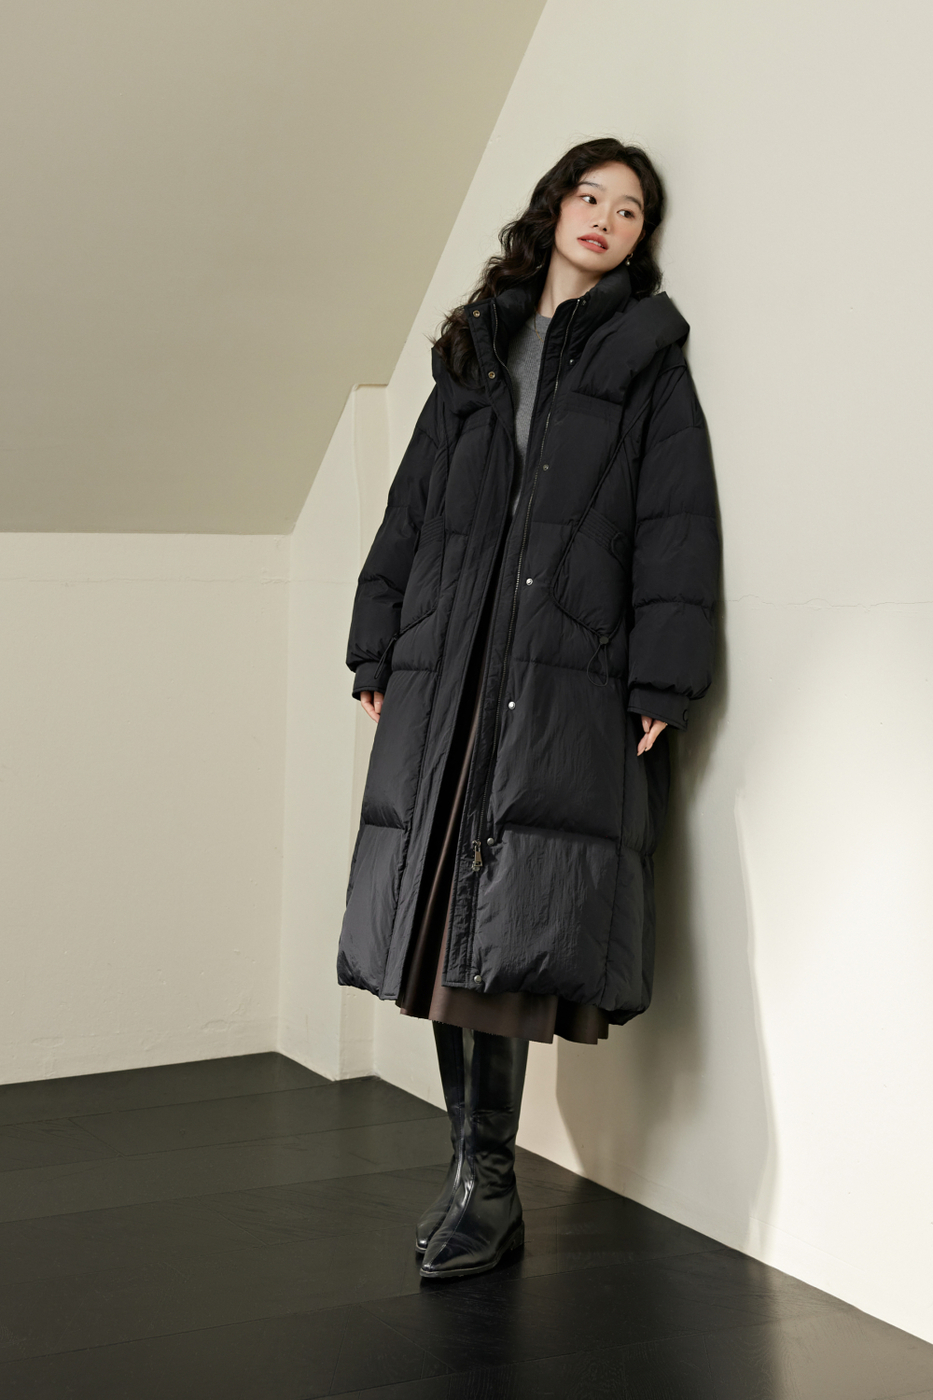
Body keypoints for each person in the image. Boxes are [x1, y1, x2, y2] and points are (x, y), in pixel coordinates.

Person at [337, 138, 719, 1281]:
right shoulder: (476, 346)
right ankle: (472, 1171)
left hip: (551, 672)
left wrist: (662, 676)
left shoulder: (646, 361)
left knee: (497, 944)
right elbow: (412, 504)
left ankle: (491, 1186)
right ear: (554, 208)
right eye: (590, 196)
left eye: (630, 209)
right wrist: (376, 635)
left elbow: (675, 519)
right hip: (451, 664)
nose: (605, 217)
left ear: (640, 239)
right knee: (441, 939)